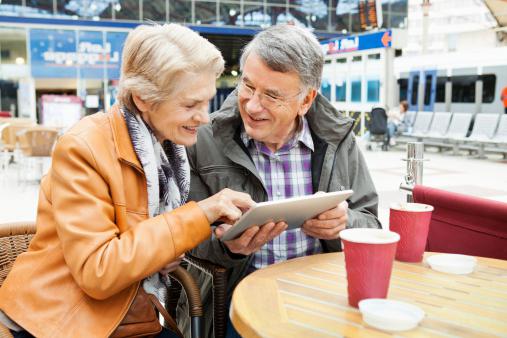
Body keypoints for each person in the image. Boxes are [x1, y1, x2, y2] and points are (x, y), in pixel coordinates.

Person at [0, 24, 256, 338]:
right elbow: (98, 271)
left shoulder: (168, 148)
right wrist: (199, 214)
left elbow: (151, 240)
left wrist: (230, 241)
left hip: (131, 312)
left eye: (206, 102)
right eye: (190, 105)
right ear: (143, 99)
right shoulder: (83, 146)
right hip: (64, 320)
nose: (204, 117)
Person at [182, 24, 381, 337]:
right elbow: (176, 238)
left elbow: (372, 226)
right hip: (236, 301)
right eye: (247, 86)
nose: (252, 105)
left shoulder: (337, 140)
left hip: (323, 296)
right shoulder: (202, 139)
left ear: (306, 100)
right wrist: (227, 246)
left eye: (272, 95)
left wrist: (344, 222)